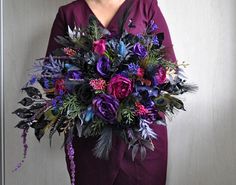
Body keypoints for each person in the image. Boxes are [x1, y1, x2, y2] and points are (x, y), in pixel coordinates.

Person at [45, 0, 177, 184]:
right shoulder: (69, 13)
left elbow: (168, 67)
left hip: (141, 141)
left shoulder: (145, 5)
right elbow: (51, 79)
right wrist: (87, 94)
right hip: (90, 142)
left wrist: (137, 90)